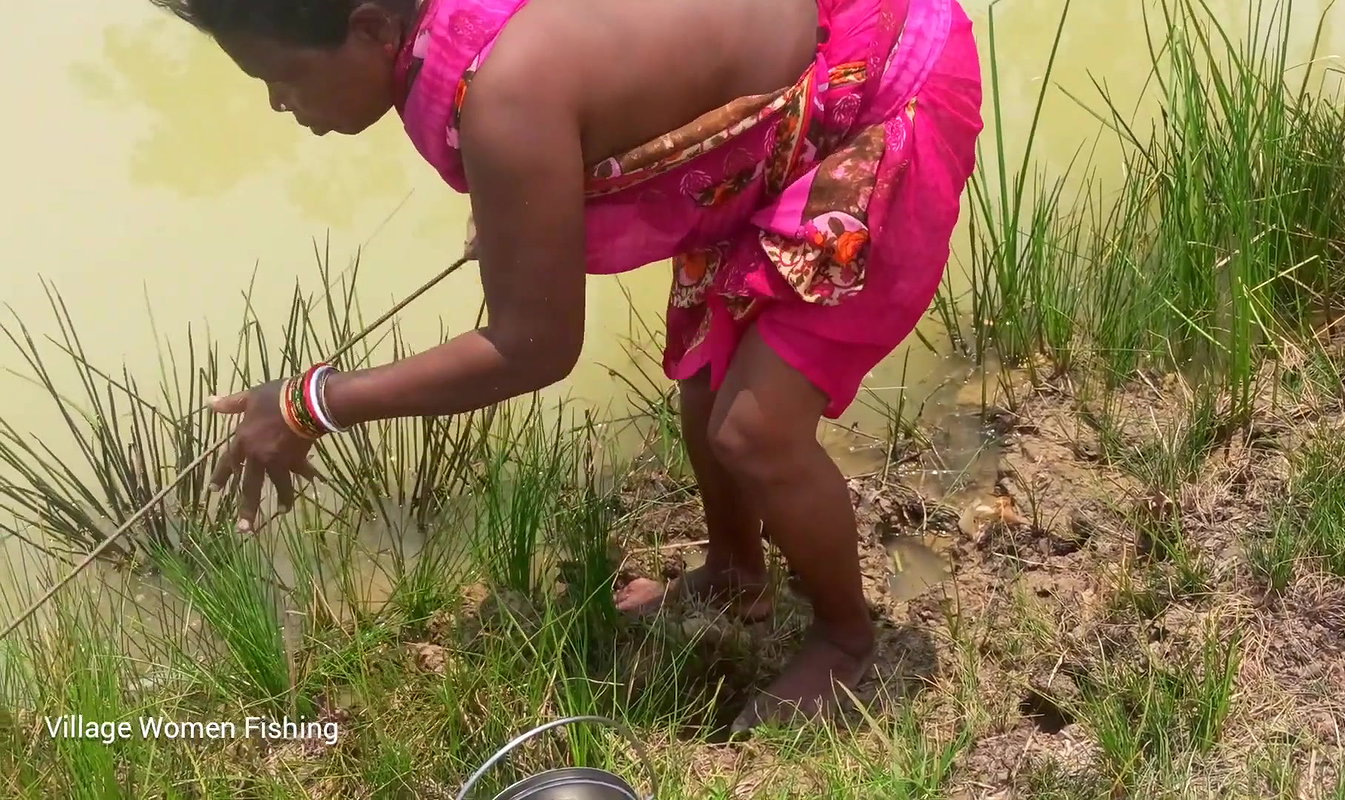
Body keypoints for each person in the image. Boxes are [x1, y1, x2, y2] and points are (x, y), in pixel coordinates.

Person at [161, 0, 983, 732]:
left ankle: (848, 638)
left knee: (755, 430)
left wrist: (314, 401)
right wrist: (529, 200)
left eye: (280, 74)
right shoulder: (467, 51)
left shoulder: (505, 95)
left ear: (373, 27)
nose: (277, 101)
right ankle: (737, 576)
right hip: (770, 114)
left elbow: (535, 349)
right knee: (703, 382)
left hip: (871, 84)